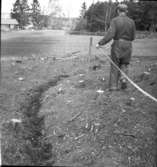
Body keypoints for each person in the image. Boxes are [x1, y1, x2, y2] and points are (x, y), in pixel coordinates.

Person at [96, 3, 136, 91]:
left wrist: (100, 43)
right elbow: (133, 37)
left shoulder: (115, 20)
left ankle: (113, 87)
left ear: (118, 11)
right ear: (126, 11)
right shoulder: (131, 22)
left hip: (118, 45)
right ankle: (123, 78)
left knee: (115, 65)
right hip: (128, 45)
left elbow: (110, 34)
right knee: (124, 63)